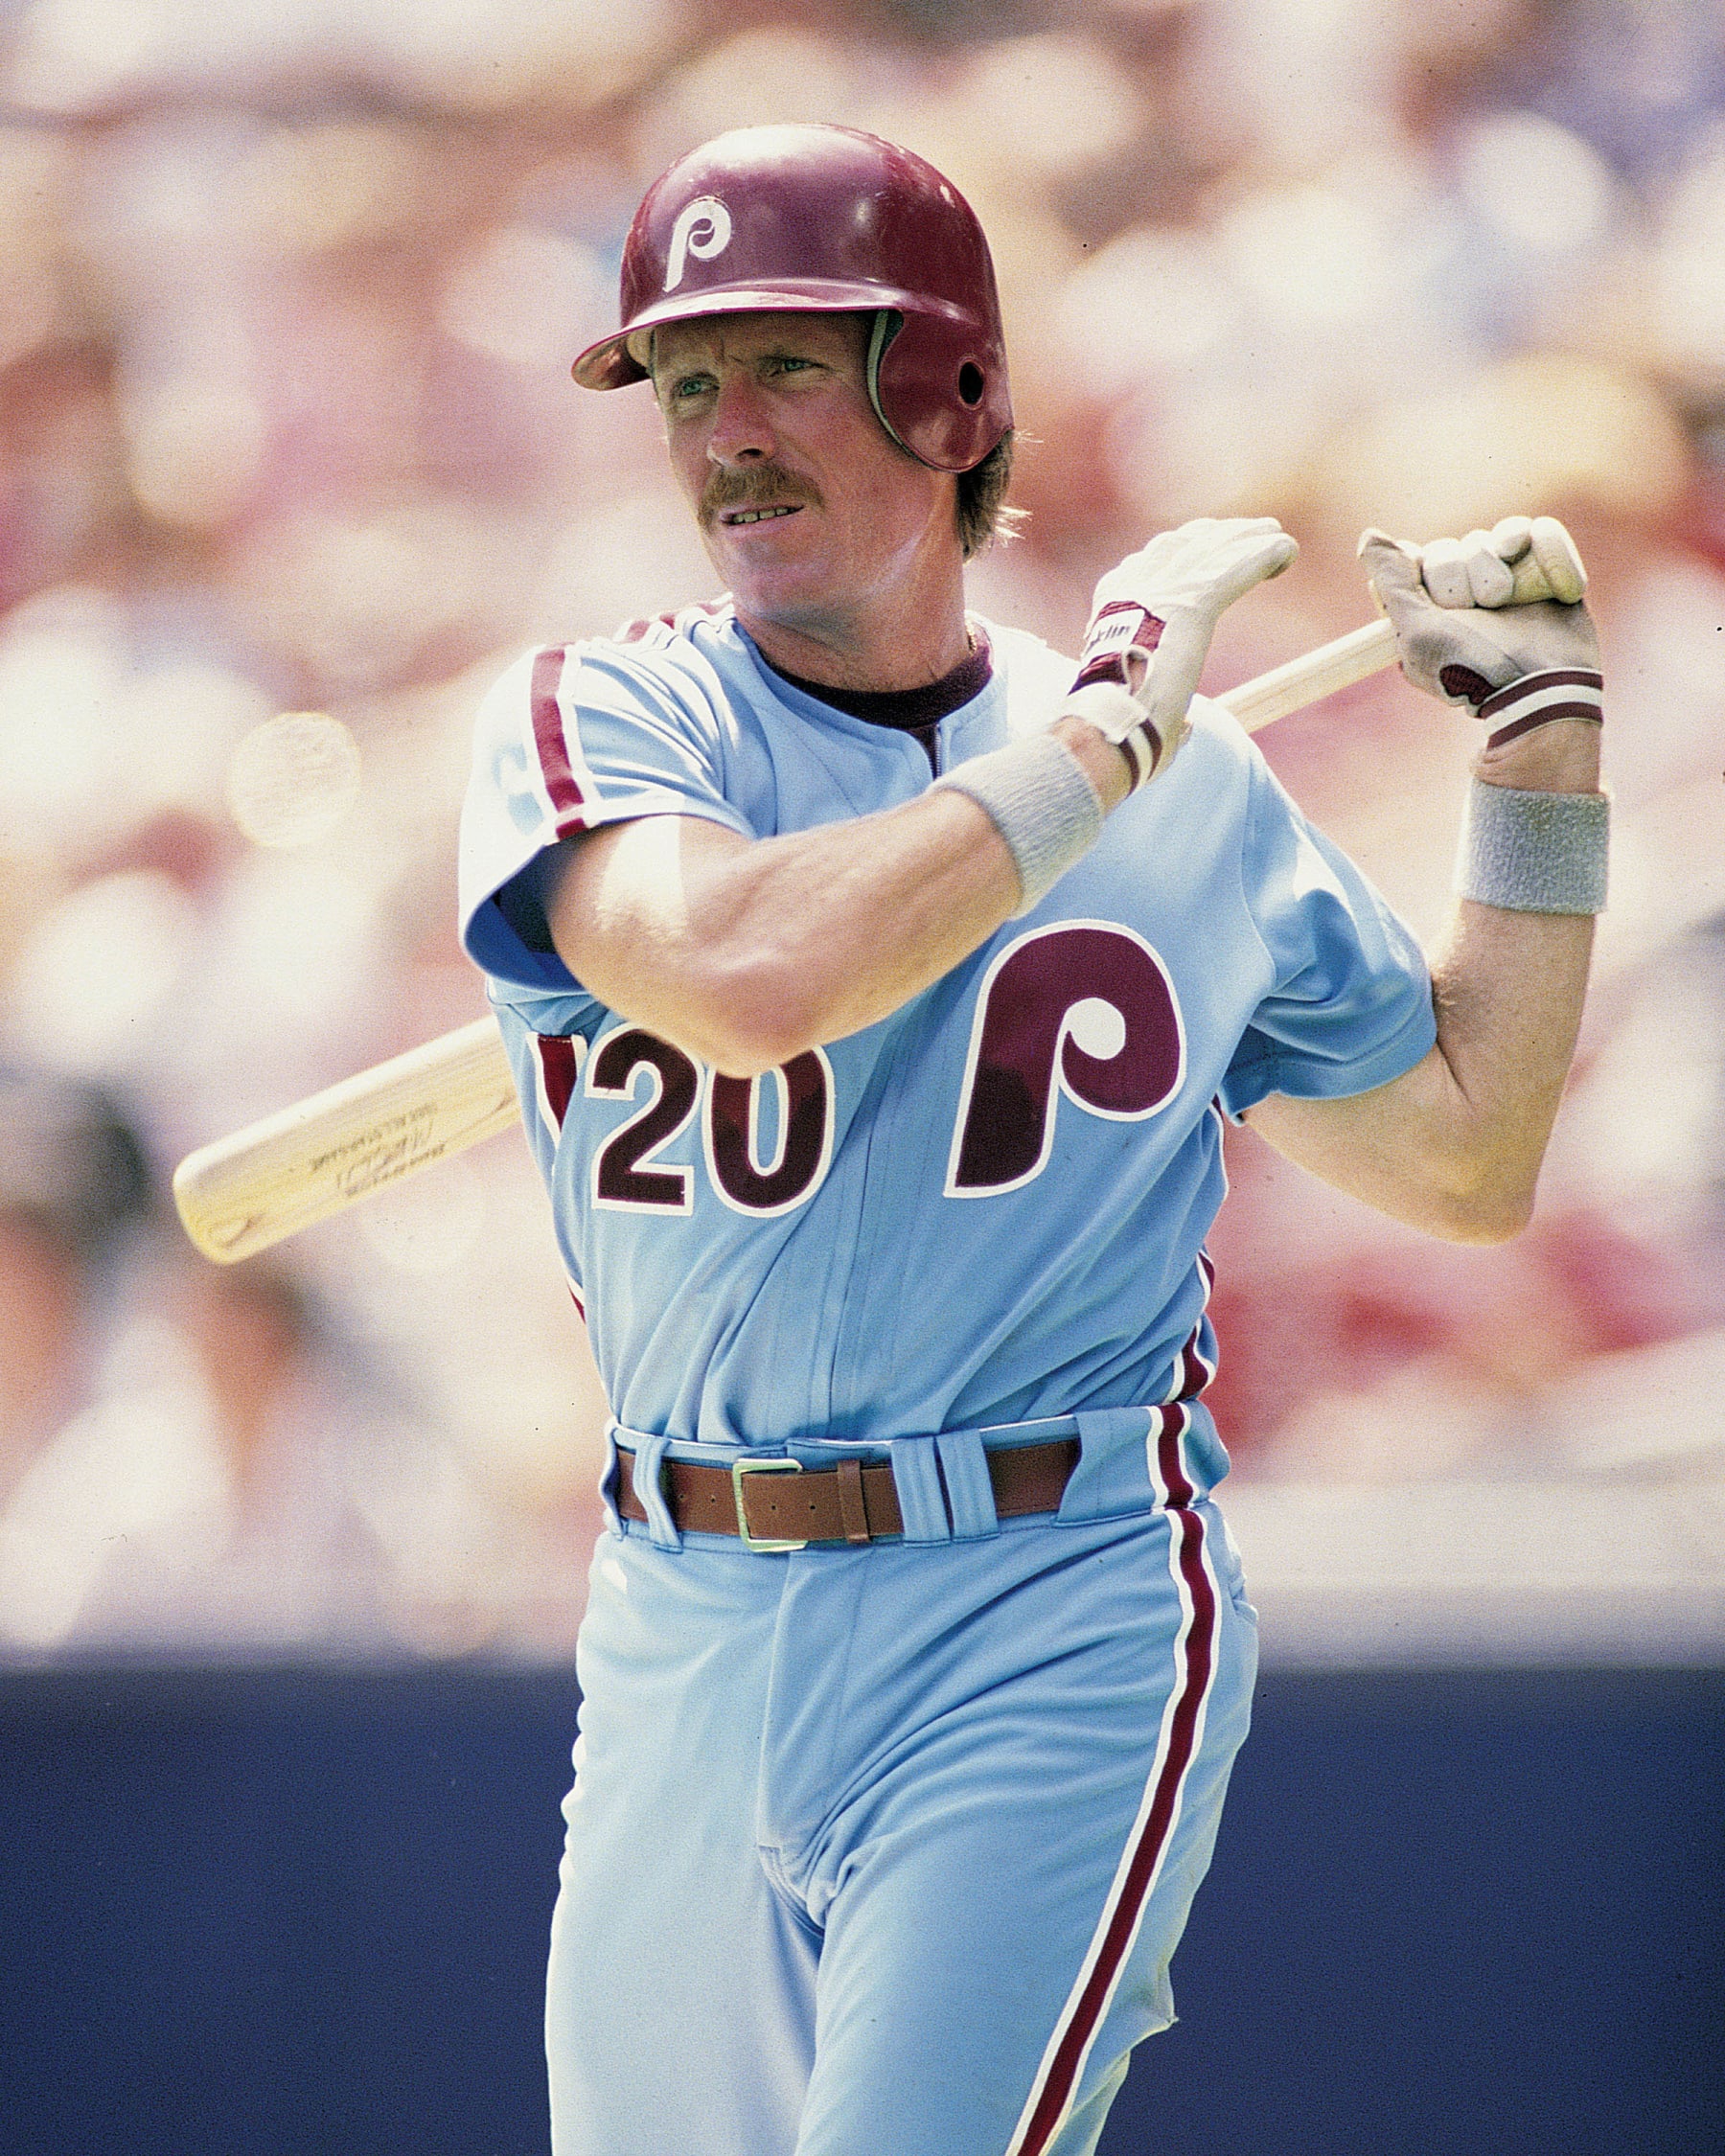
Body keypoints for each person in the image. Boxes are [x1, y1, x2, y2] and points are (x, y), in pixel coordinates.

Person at [457, 125, 1605, 2156]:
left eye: (789, 364)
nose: (725, 431)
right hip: (687, 1603)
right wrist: (1094, 755)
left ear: (950, 388)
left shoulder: (1187, 783)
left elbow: (1459, 1156)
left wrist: (1537, 761)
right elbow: (742, 979)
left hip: (1046, 1594)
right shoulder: (604, 718)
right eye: (689, 380)